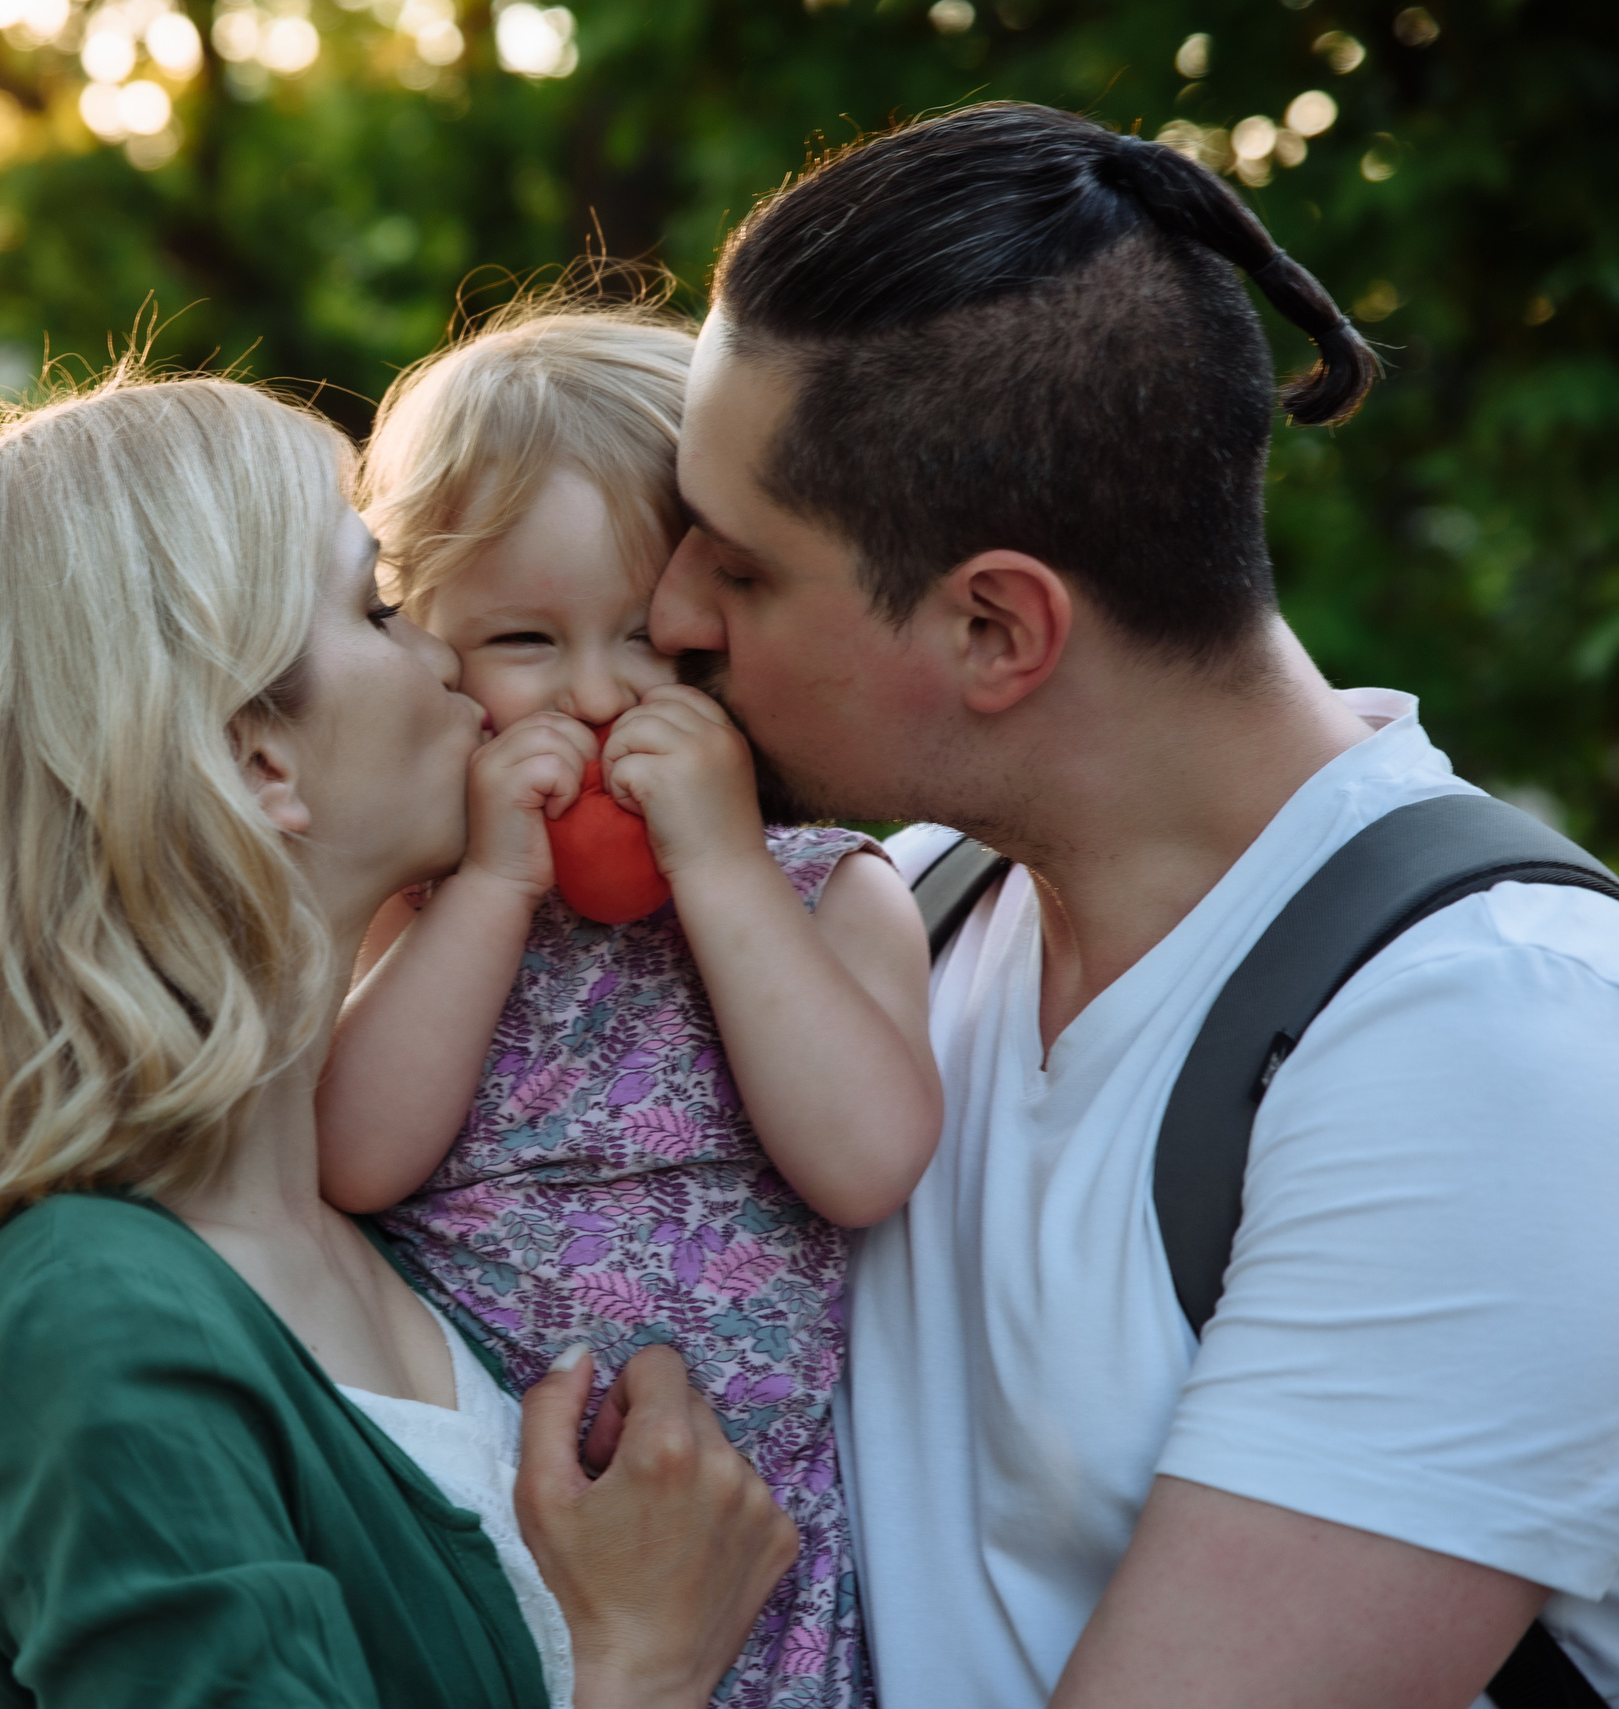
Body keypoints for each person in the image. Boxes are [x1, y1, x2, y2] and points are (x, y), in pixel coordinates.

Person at [649, 101, 1619, 1708]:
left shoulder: (1493, 1051)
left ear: (994, 628)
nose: (671, 610)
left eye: (742, 570)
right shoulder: (911, 921)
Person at [0, 370, 798, 1709]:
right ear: (257, 757)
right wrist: (649, 1661)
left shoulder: (380, 1225)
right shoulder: (81, 1325)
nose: (446, 652)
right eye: (377, 605)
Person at [317, 297, 939, 1708]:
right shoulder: (430, 901)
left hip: (751, 1556)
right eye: (525, 639)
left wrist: (717, 862)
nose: (599, 695)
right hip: (482, 1528)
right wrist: (486, 886)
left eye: (652, 643)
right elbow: (354, 1157)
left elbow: (867, 1160)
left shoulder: (827, 888)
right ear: (425, 642)